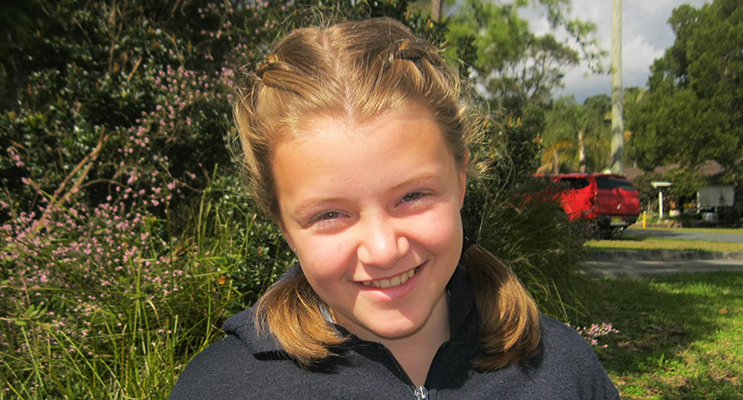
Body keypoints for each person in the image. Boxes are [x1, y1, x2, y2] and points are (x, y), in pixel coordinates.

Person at [169, 17, 620, 399]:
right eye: (329, 215)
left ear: (460, 183)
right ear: (284, 228)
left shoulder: (563, 369)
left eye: (412, 196)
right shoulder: (218, 388)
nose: (384, 251)